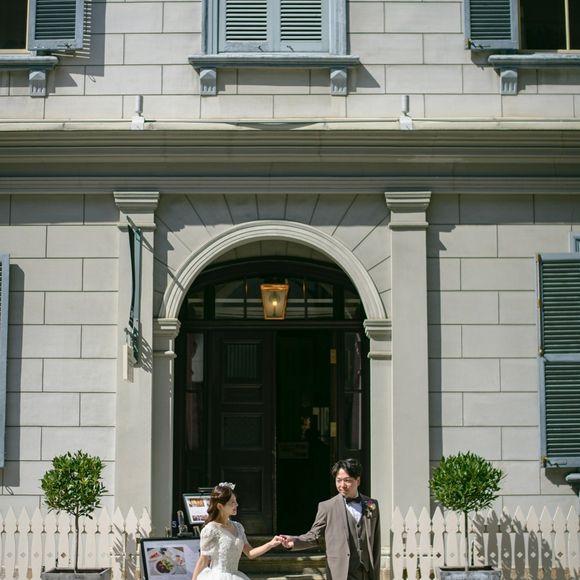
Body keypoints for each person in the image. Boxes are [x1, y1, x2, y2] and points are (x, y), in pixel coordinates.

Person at [280, 458, 381, 580]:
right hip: (340, 573)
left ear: (358, 480)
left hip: (366, 574)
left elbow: (376, 543)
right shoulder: (327, 507)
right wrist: (294, 542)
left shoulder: (371, 504)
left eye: (347, 480)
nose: (342, 485)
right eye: (338, 480)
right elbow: (314, 536)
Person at [191, 482, 283, 580]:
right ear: (220, 506)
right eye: (232, 502)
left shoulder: (238, 527)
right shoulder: (210, 529)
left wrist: (271, 544)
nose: (237, 504)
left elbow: (250, 553)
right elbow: (203, 560)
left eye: (236, 501)